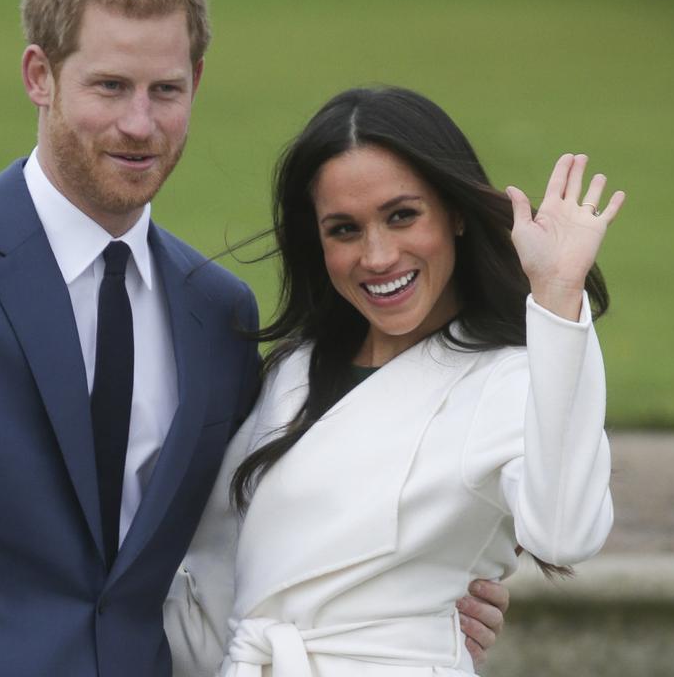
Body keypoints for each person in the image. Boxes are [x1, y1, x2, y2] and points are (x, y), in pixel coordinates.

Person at [0, 0, 507, 675]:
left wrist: (412, 593)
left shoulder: (217, 310)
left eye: (165, 91)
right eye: (109, 87)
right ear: (40, 75)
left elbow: (257, 516)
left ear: (196, 82)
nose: (140, 125)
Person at [165, 86, 622, 676]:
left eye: (402, 216)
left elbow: (566, 533)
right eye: (344, 229)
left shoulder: (509, 378)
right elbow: (223, 571)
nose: (378, 256)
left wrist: (557, 296)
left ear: (454, 212)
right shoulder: (292, 369)